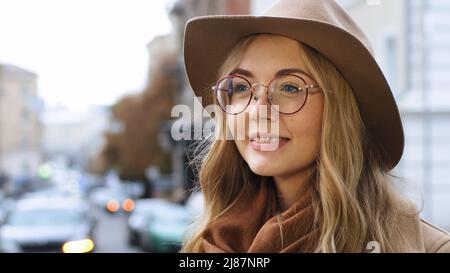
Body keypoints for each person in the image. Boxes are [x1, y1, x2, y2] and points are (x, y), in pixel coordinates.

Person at [181, 0, 450, 253]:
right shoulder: (212, 240)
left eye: (289, 87)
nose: (257, 110)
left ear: (340, 109)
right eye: (241, 87)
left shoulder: (426, 247)